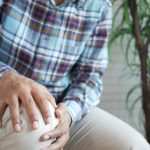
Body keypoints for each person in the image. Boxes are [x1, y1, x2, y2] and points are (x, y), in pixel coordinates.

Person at [0, 0, 149, 149]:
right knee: (35, 130)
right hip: (6, 94)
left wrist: (69, 113)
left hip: (60, 104)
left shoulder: (99, 6)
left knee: (135, 146)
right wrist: (6, 77)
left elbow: (90, 77)